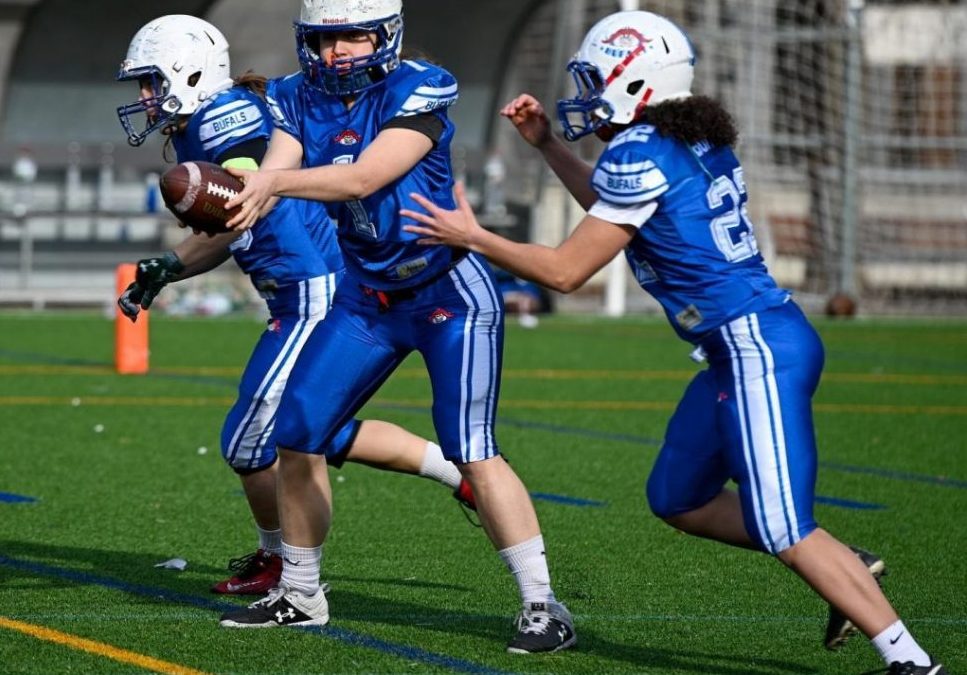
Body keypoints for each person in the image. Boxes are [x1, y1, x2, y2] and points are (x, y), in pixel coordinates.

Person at [401, 10, 946, 674]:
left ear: (637, 83)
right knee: (677, 496)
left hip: (755, 348)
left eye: (597, 78)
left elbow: (567, 272)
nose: (586, 93)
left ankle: (910, 660)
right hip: (738, 345)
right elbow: (612, 209)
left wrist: (473, 236)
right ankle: (844, 565)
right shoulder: (685, 141)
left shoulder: (640, 150)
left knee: (782, 528)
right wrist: (548, 146)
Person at [215, 0, 576, 654]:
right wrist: (247, 190)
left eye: (353, 35)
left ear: (385, 34)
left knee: (471, 446)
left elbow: (365, 176)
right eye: (325, 39)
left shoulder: (420, 85)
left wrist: (272, 187)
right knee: (297, 432)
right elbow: (279, 159)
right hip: (367, 296)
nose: (338, 51)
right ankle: (300, 593)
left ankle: (541, 601)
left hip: (446, 289)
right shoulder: (294, 95)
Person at [115, 14, 476, 598]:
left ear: (189, 74)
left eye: (152, 81)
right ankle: (457, 476)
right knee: (316, 431)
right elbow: (234, 227)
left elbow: (249, 172)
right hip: (297, 290)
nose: (145, 97)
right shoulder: (194, 128)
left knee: (248, 441)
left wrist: (234, 182)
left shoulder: (224, 117)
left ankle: (280, 561)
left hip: (313, 288)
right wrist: (172, 265)